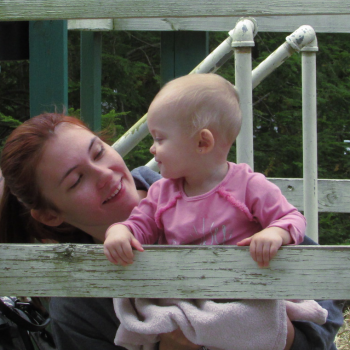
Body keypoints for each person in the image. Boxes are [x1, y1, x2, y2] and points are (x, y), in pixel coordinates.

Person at [0, 111, 343, 350]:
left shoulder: (211, 186)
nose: (104, 174)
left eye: (99, 152)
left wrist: (284, 340)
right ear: (50, 216)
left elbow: (328, 312)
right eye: (77, 180)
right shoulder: (77, 308)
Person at [104, 73, 306, 268]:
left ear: (202, 142)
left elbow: (293, 219)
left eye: (159, 138)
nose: (152, 148)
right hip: (181, 292)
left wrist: (275, 233)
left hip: (240, 289)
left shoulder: (248, 186)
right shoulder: (161, 194)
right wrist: (120, 231)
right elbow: (138, 226)